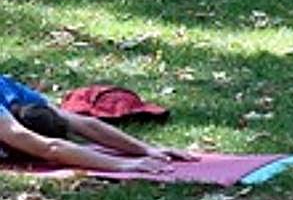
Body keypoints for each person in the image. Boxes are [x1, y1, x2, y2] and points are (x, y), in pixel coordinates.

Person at [0, 74, 195, 173]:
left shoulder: (7, 87)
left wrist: (147, 149)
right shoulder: (12, 129)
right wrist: (124, 165)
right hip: (18, 138)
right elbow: (51, 149)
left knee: (46, 118)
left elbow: (85, 123)